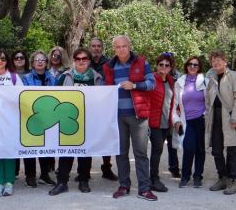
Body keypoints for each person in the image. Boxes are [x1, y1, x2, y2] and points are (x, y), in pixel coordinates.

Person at [103, 35, 157, 201]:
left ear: (129, 46)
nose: (121, 49)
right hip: (117, 117)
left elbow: (151, 84)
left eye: (124, 46)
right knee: (120, 153)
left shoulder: (141, 62)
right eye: (117, 47)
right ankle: (124, 186)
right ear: (114, 49)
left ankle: (144, 189)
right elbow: (104, 89)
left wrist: (134, 85)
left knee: (140, 153)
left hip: (138, 115)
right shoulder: (109, 66)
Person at [49, 48, 104, 196]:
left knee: (85, 152)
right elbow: (54, 96)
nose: (81, 61)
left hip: (88, 120)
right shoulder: (65, 76)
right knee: (66, 152)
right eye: (78, 58)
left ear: (89, 60)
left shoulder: (97, 78)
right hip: (68, 120)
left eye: (84, 58)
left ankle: (83, 181)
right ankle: (62, 182)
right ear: (74, 60)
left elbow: (103, 99)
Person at [0, 49, 24, 197]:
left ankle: (9, 183)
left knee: (9, 151)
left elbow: (22, 96)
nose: (0, 62)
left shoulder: (13, 77)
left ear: (7, 61)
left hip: (11, 121)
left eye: (2, 59)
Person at [205, 50, 236, 195]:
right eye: (213, 61)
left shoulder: (233, 77)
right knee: (216, 150)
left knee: (233, 151)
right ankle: (223, 177)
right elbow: (208, 100)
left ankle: (234, 181)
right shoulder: (211, 78)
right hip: (215, 119)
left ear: (225, 61)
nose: (216, 63)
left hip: (230, 119)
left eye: (219, 60)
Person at [20, 50, 57, 187]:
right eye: (37, 60)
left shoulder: (52, 78)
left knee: (46, 147)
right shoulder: (26, 78)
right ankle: (30, 176)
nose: (40, 62)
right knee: (30, 146)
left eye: (42, 60)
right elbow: (24, 96)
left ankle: (45, 175)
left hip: (47, 117)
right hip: (30, 116)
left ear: (46, 62)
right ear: (32, 63)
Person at [172, 56, 207, 188]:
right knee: (189, 148)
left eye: (196, 65)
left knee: (200, 150)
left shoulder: (205, 82)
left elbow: (209, 102)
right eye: (190, 64)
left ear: (199, 68)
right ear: (186, 66)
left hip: (201, 120)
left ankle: (198, 176)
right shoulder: (179, 83)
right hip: (187, 121)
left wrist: (206, 115)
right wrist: (176, 120)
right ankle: (185, 176)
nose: (193, 67)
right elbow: (174, 104)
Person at [88, 37, 118, 181]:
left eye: (98, 46)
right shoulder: (84, 62)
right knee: (86, 137)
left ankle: (106, 168)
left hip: (105, 105)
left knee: (107, 136)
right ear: (89, 47)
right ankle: (85, 170)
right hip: (87, 106)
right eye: (93, 46)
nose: (96, 48)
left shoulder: (110, 63)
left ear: (102, 48)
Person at [148, 53, 176, 193]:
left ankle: (153, 177)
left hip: (166, 122)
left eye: (167, 65)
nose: (163, 67)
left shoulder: (170, 80)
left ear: (171, 68)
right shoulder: (151, 79)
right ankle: (153, 179)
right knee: (157, 150)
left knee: (158, 150)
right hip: (153, 122)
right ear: (157, 65)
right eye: (161, 64)